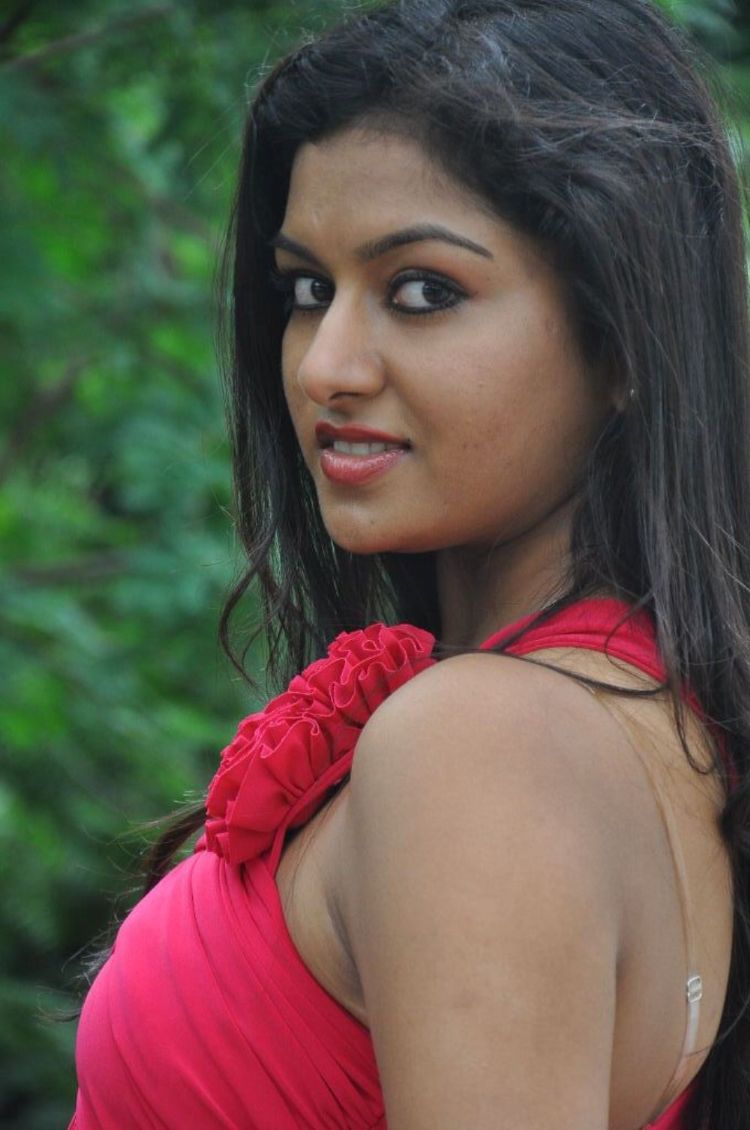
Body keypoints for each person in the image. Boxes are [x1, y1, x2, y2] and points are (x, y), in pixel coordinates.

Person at [69, 0, 750, 1126]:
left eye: (423, 291)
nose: (324, 365)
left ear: (623, 339)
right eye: (306, 290)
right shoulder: (654, 720)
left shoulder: (481, 746)